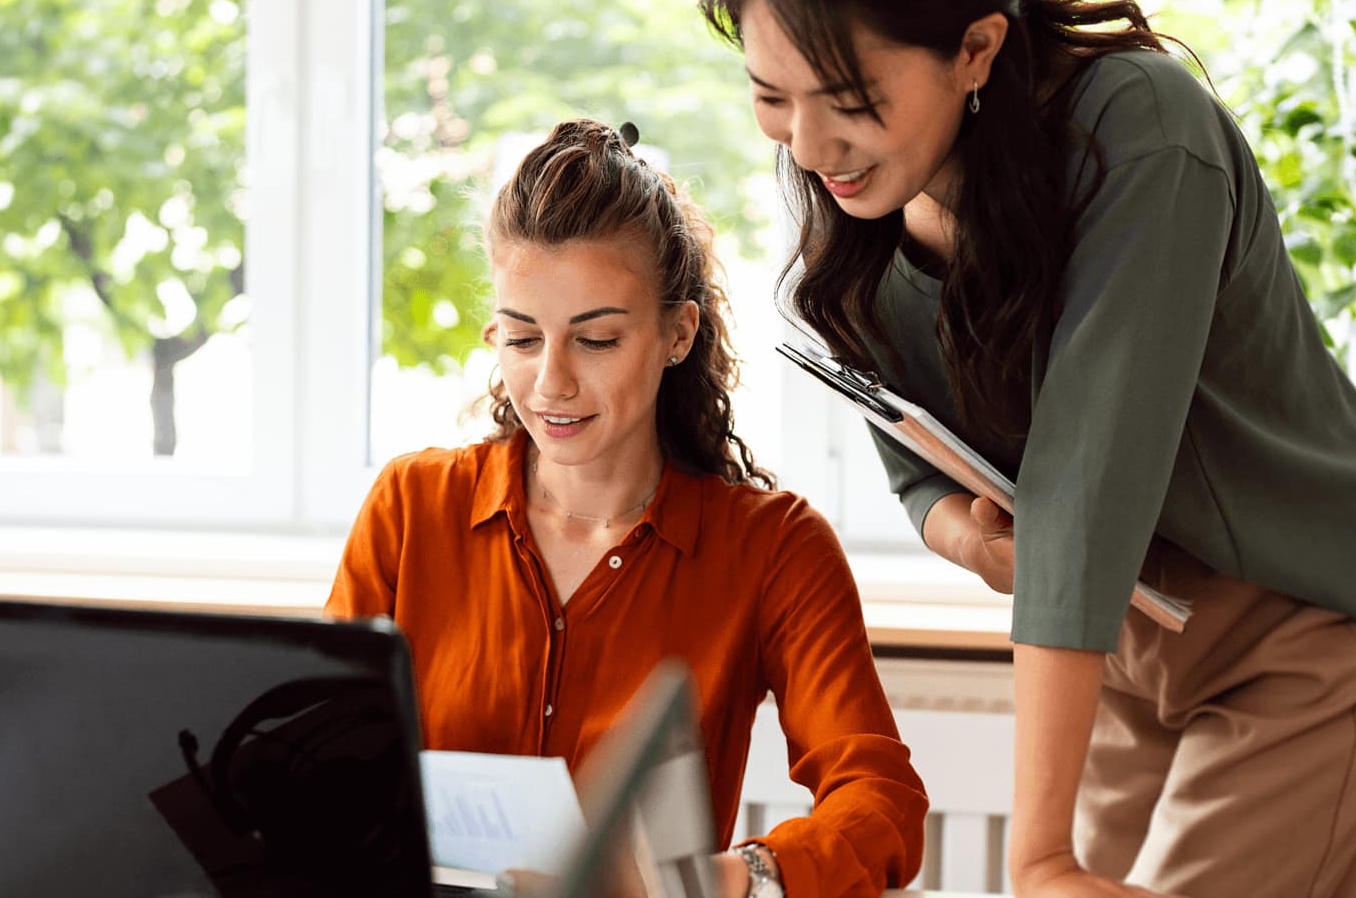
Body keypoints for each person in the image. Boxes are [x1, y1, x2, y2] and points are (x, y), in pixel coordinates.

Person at [700, 0, 1356, 898]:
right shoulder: (863, 192)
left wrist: (1034, 857)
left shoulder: (1139, 135)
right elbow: (916, 461)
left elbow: (1093, 480)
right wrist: (968, 534)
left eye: (849, 99)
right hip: (1130, 651)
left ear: (977, 47)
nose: (807, 145)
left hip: (1302, 635)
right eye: (773, 97)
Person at [326, 118, 927, 898]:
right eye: (521, 339)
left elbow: (880, 803)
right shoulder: (412, 507)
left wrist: (714, 882)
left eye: (597, 340)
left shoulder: (773, 547)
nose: (551, 383)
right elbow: (317, 755)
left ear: (677, 334)